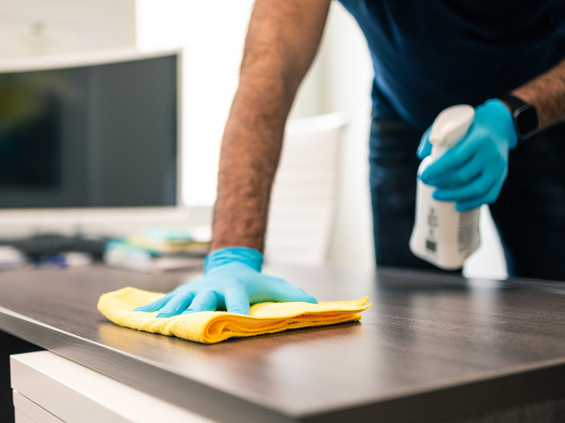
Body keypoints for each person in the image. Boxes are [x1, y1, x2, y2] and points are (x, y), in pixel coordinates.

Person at [137, 0, 565, 317]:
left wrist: (514, 116)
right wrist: (232, 253)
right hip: (405, 110)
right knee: (414, 321)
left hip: (542, 110)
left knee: (550, 309)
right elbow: (269, 71)